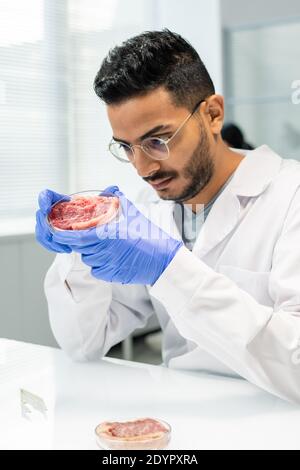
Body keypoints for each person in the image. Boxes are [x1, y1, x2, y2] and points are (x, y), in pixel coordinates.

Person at [36, 29, 300, 403]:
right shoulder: (152, 205)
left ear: (212, 114)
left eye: (157, 140)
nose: (142, 167)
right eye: (126, 148)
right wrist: (78, 251)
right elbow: (83, 344)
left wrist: (170, 269)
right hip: (180, 417)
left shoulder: (292, 195)